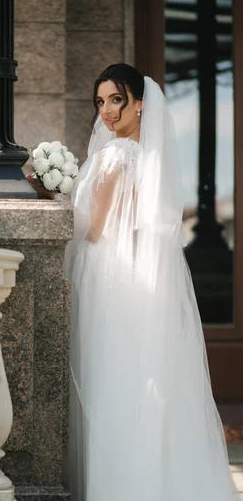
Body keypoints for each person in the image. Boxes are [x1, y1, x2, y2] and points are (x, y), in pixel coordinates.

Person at [64, 64, 238, 501]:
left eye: (116, 100)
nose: (107, 110)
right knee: (134, 377)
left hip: (106, 272)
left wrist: (55, 203)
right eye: (100, 101)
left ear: (139, 104)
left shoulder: (114, 156)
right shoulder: (147, 158)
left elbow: (96, 229)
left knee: (105, 376)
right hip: (134, 272)